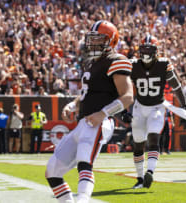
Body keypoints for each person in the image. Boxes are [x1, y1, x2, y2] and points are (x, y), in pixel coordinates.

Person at [46, 20, 133, 203]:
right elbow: (87, 94)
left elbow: (127, 97)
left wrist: (103, 113)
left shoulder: (116, 60)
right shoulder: (92, 63)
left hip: (99, 122)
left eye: (98, 40)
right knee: (52, 171)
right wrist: (73, 104)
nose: (92, 43)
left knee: (84, 164)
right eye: (91, 39)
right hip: (83, 122)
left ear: (110, 41)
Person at [129, 35, 186, 189]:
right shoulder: (133, 65)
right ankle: (140, 178)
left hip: (157, 107)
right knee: (138, 144)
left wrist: (184, 106)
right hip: (139, 107)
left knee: (153, 138)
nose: (146, 53)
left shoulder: (163, 64)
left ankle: (150, 173)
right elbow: (124, 87)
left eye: (150, 49)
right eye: (143, 49)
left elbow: (176, 86)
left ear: (156, 52)